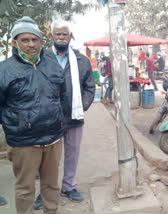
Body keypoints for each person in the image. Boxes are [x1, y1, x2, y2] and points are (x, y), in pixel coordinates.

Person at [0, 16, 65, 214]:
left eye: (34, 39)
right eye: (25, 40)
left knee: (51, 186)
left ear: (40, 40)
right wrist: (17, 126)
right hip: (24, 143)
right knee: (25, 189)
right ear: (15, 42)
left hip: (53, 139)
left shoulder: (52, 65)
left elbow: (62, 96)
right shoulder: (4, 70)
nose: (31, 44)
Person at [34, 19, 95, 209]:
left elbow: (90, 87)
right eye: (58, 34)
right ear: (52, 36)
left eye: (64, 34)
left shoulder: (81, 60)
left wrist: (82, 105)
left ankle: (68, 186)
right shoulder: (42, 59)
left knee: (72, 154)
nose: (61, 37)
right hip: (48, 117)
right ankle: (45, 191)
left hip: (73, 116)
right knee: (47, 157)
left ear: (70, 36)